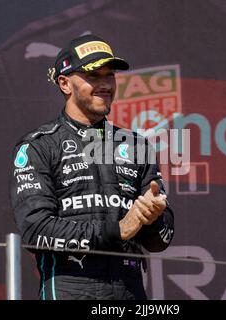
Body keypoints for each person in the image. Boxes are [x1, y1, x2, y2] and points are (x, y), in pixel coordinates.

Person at [9, 34, 174, 300]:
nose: (105, 84)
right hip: (69, 288)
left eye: (109, 76)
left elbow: (161, 241)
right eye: (94, 76)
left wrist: (152, 218)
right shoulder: (39, 146)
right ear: (64, 83)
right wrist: (118, 230)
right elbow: (34, 231)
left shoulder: (136, 145)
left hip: (129, 292)